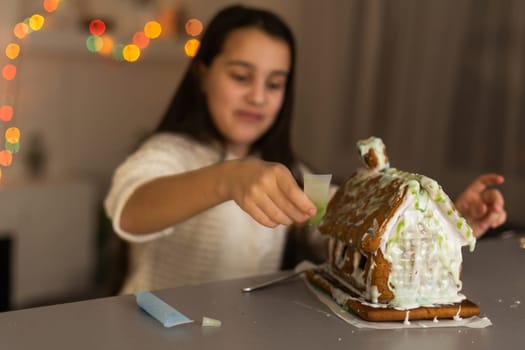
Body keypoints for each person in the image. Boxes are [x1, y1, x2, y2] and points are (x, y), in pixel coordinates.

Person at [104, 5, 506, 295]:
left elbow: (345, 225)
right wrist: (227, 179)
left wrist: (442, 219)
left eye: (275, 83)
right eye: (241, 76)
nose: (258, 96)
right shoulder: (169, 151)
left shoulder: (291, 170)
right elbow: (131, 211)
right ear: (203, 73)